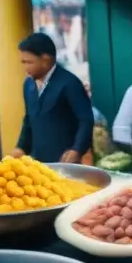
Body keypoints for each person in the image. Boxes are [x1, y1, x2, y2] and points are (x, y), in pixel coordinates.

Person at [12, 32, 93, 164]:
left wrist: (77, 150)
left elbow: (85, 120)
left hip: (65, 162)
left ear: (45, 60)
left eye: (29, 62)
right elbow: (29, 119)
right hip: (37, 162)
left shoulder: (69, 83)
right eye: (23, 62)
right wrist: (21, 147)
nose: (25, 68)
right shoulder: (28, 85)